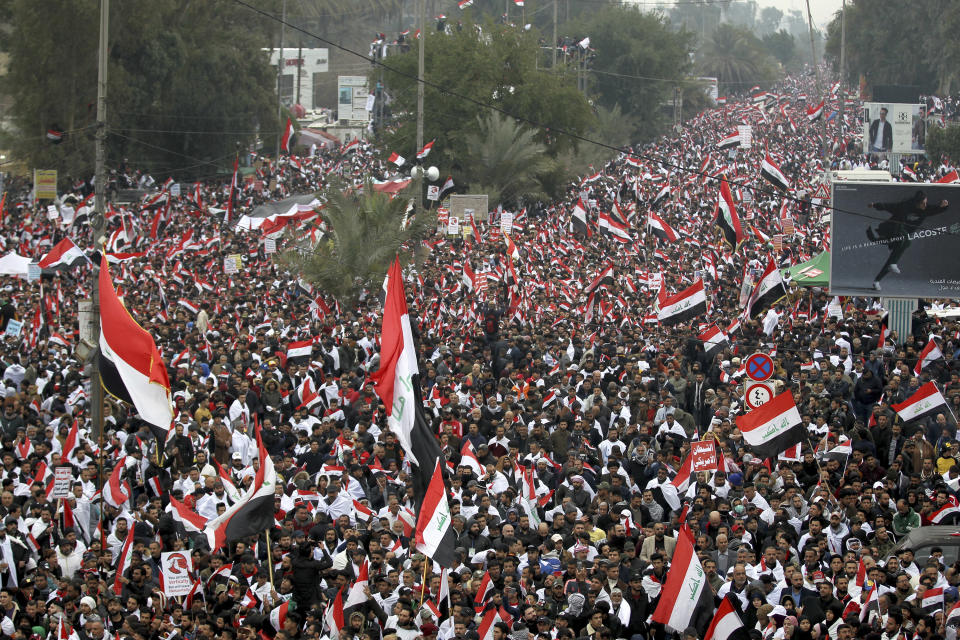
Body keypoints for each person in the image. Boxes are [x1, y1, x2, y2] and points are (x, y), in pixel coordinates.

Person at [865, 190, 950, 290]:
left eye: (926, 203)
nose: (925, 205)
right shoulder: (905, 206)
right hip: (893, 229)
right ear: (916, 202)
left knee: (893, 258)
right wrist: (875, 205)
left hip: (903, 235)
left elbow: (937, 209)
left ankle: (877, 281)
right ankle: (891, 261)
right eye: (923, 203)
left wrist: (944, 206)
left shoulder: (926, 209)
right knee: (907, 241)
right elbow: (889, 206)